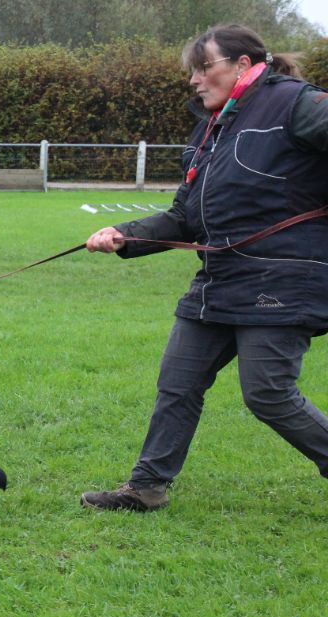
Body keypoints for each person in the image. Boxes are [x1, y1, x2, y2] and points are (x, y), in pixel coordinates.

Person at [80, 24, 328, 512]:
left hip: (284, 278)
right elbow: (184, 217)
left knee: (268, 394)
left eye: (203, 67)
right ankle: (146, 487)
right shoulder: (212, 128)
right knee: (178, 382)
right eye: (191, 71)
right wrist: (124, 235)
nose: (194, 79)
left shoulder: (296, 103)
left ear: (242, 64)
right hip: (220, 280)